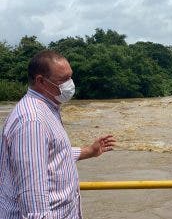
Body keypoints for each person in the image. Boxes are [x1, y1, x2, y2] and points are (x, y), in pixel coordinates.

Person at [0, 50, 116, 218]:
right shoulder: (32, 121)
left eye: (70, 77)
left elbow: (53, 155)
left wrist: (89, 151)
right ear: (40, 81)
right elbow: (33, 201)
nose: (70, 84)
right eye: (63, 79)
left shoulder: (47, 108)